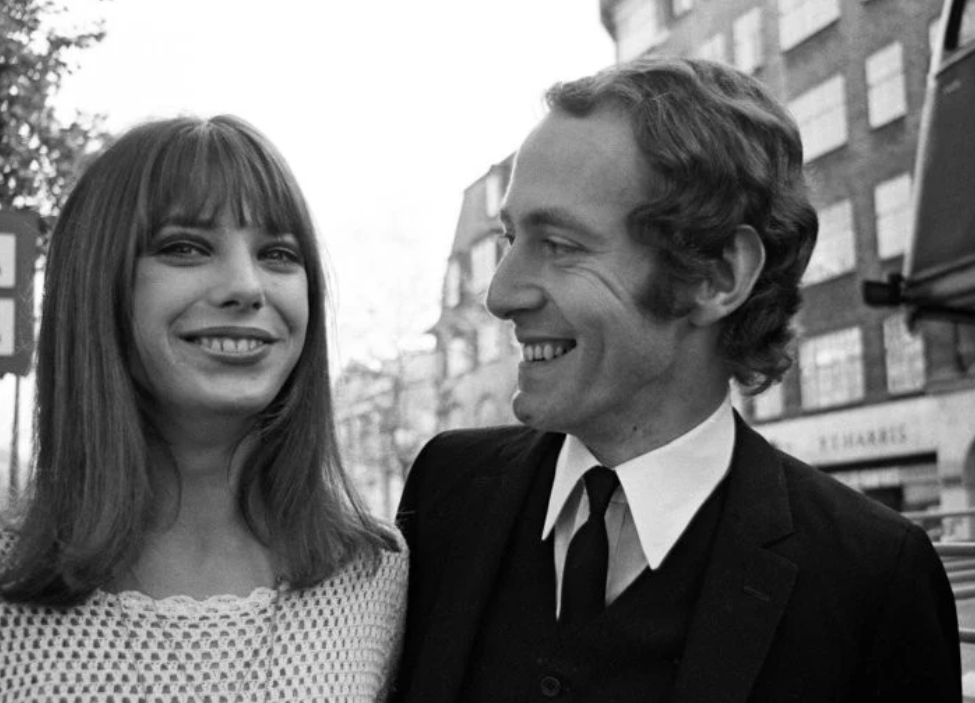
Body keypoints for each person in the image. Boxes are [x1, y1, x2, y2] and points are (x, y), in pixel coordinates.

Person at [395, 56, 960, 703]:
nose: (500, 295)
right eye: (508, 239)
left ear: (717, 275)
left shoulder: (872, 578)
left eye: (559, 244)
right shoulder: (448, 488)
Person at [0, 115, 407, 701]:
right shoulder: (12, 590)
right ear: (96, 285)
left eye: (278, 254)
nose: (246, 286)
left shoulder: (377, 579)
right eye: (184, 248)